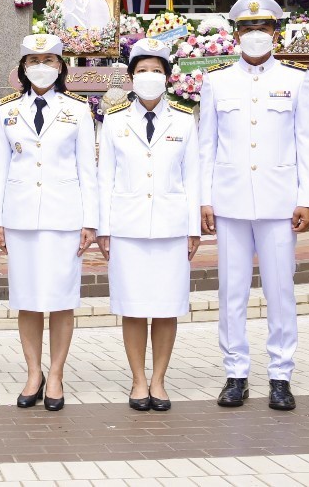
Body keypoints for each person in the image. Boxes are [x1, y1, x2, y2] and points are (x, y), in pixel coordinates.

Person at [199, 0, 309, 412]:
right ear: (235, 34)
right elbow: (206, 145)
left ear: (275, 32)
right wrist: (205, 199)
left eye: (263, 28)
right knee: (231, 291)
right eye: (247, 28)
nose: (255, 35)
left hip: (279, 203)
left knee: (280, 290)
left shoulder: (296, 78)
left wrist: (308, 199)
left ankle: (281, 375)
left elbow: (307, 143)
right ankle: (236, 374)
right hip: (229, 203)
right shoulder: (216, 80)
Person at [0, 33, 97, 411]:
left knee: (62, 300)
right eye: (33, 60)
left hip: (64, 216)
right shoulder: (6, 110)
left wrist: (91, 221)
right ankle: (33, 372)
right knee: (28, 300)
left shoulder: (78, 110)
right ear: (22, 67)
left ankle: (56, 375)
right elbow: (0, 169)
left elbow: (88, 169)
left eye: (49, 60)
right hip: (19, 217)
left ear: (61, 66)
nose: (41, 66)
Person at [96, 38, 200, 412]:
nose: (149, 76)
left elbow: (193, 177)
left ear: (168, 77)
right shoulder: (114, 120)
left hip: (172, 227)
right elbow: (104, 177)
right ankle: (138, 380)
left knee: (167, 306)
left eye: (157, 70)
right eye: (142, 70)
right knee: (135, 306)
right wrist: (103, 228)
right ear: (130, 77)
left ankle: (159, 380)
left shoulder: (185, 120)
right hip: (127, 226)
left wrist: (194, 228)